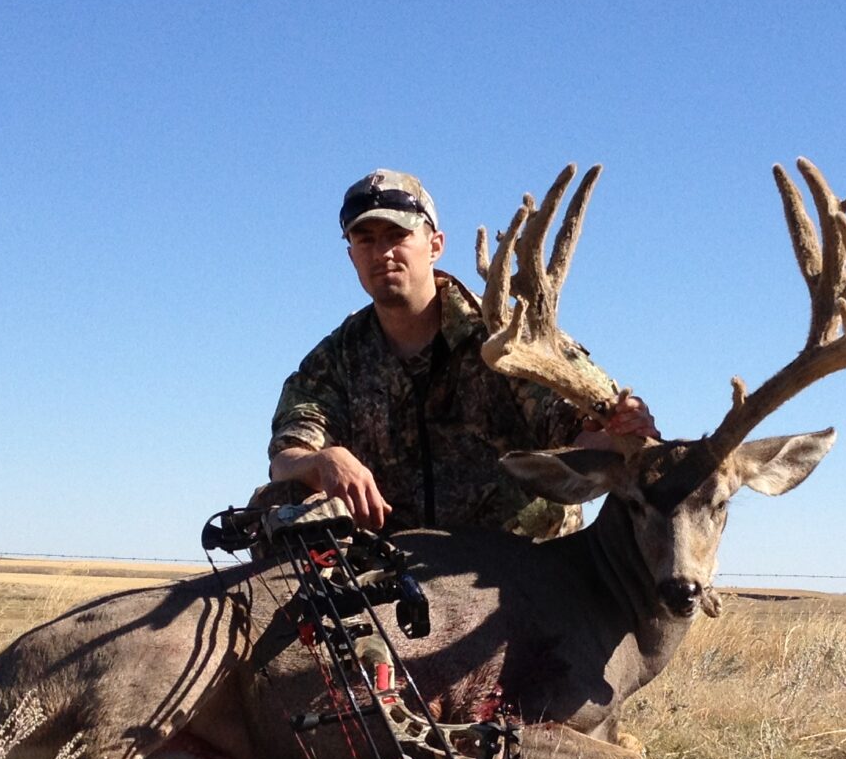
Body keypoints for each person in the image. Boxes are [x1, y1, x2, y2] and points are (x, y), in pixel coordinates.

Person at [268, 169, 652, 539]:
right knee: (278, 502)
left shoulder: (510, 337)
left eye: (397, 234)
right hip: (400, 573)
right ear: (352, 256)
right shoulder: (336, 359)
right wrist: (323, 459)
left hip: (522, 569)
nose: (382, 252)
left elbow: (579, 433)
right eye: (365, 239)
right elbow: (286, 456)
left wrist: (622, 430)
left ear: (435, 245)